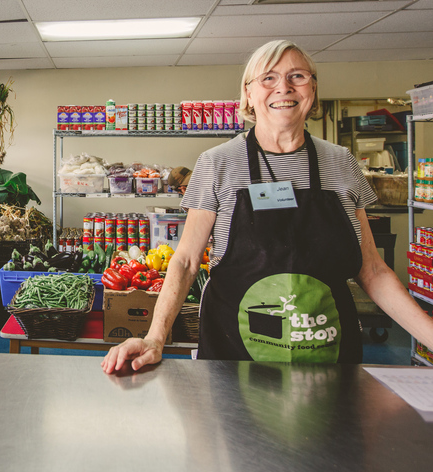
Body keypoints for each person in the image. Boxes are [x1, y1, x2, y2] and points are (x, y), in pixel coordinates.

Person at [102, 39, 433, 373]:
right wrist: (154, 338)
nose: (284, 88)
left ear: (313, 89)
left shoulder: (341, 162)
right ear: (248, 94)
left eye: (297, 77)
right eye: (268, 78)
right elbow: (187, 262)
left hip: (328, 356)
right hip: (235, 354)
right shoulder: (218, 163)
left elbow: (372, 270)